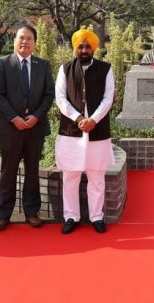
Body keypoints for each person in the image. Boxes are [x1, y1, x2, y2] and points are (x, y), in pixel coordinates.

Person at [0, 25, 55, 231]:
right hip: (10, 128)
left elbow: (48, 95)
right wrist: (15, 118)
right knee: (8, 171)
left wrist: (36, 117)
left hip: (35, 128)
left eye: (29, 38)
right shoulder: (3, 63)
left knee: (32, 171)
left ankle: (32, 212)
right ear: (14, 40)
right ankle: (3, 214)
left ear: (35, 42)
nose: (25, 42)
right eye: (21, 38)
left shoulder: (43, 65)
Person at [55, 29, 116, 234]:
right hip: (71, 131)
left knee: (96, 177)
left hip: (97, 132)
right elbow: (60, 99)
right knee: (70, 176)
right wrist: (79, 118)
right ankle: (71, 216)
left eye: (88, 46)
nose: (84, 50)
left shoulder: (106, 69)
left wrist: (93, 120)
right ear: (75, 48)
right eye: (80, 46)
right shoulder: (65, 69)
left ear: (94, 48)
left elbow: (108, 99)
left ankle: (97, 217)